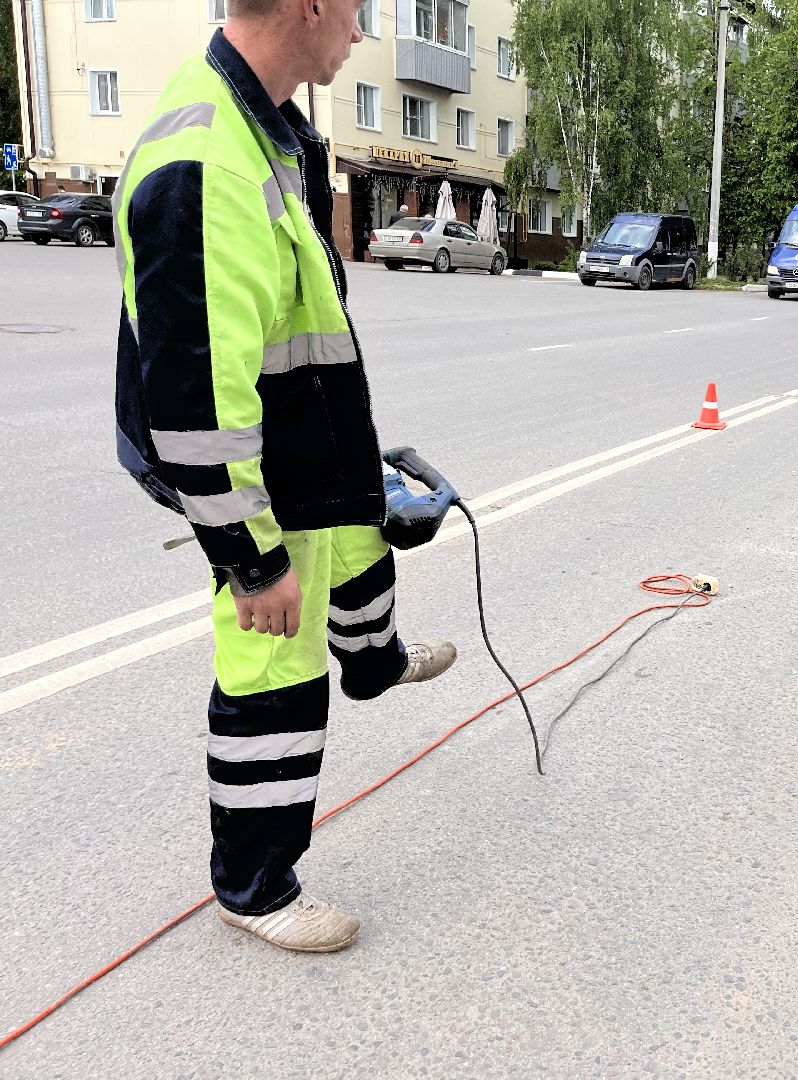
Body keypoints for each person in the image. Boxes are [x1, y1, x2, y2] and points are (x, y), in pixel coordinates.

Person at [111, 0, 457, 952]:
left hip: (303, 431)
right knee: (272, 670)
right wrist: (249, 560)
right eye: (357, 8)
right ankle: (255, 887)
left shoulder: (268, 123)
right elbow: (191, 404)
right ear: (309, 2)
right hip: (252, 476)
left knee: (360, 540)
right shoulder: (205, 163)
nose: (360, 28)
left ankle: (375, 659)